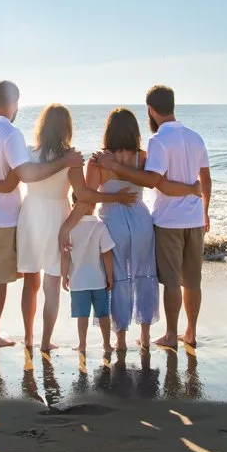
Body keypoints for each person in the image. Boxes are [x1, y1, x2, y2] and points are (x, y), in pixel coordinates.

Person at [0, 104, 135, 351]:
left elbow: (14, 180)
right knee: (52, 285)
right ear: (67, 128)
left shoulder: (28, 152)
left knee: (31, 282)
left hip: (31, 215)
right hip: (58, 216)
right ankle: (45, 342)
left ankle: (29, 339)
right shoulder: (73, 158)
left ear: (42, 126)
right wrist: (115, 198)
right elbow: (84, 195)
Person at [0, 81, 83, 348]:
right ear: (13, 104)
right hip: (4, 220)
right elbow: (22, 176)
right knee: (1, 281)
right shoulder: (12, 135)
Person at [65, 107, 201, 351]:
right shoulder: (143, 157)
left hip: (113, 222)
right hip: (141, 220)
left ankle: (119, 340)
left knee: (117, 279)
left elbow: (88, 199)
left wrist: (69, 225)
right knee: (144, 275)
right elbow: (157, 183)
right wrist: (192, 189)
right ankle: (146, 336)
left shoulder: (98, 161)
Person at [92, 86, 211, 350]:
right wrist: (203, 207)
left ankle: (150, 336)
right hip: (180, 220)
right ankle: (184, 333)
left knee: (153, 280)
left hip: (161, 221)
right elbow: (205, 178)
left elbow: (156, 182)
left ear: (151, 110)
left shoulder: (155, 142)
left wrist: (114, 169)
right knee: (186, 280)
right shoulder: (193, 138)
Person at [61, 195, 114, 357]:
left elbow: (65, 256)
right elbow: (107, 254)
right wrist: (110, 277)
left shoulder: (69, 228)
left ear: (73, 205)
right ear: (95, 205)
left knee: (82, 316)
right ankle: (107, 345)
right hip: (98, 280)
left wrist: (64, 277)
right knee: (103, 314)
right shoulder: (99, 226)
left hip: (78, 281)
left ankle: (82, 345)